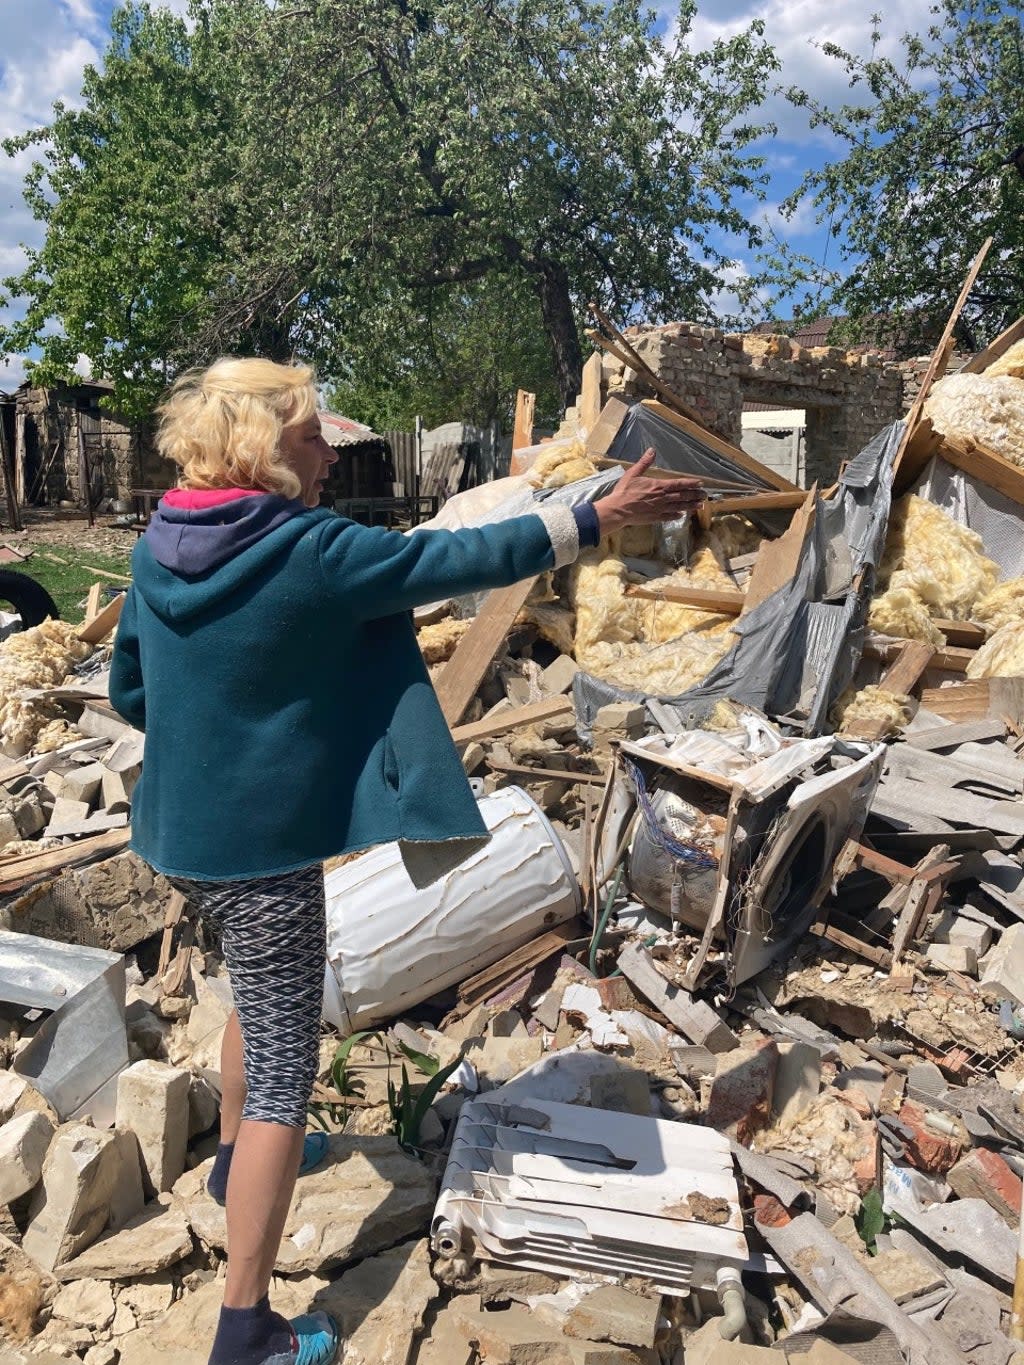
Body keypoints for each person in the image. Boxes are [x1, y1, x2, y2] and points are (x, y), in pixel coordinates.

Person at [109, 356, 705, 1365]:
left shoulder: (161, 542)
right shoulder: (306, 549)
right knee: (286, 1074)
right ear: (263, 444)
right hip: (262, 852)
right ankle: (244, 1328)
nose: (327, 455)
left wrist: (226, 725)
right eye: (310, 438)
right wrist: (593, 519)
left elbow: (132, 691)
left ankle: (226, 1170)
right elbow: (450, 561)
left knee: (251, 1003)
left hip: (180, 838)